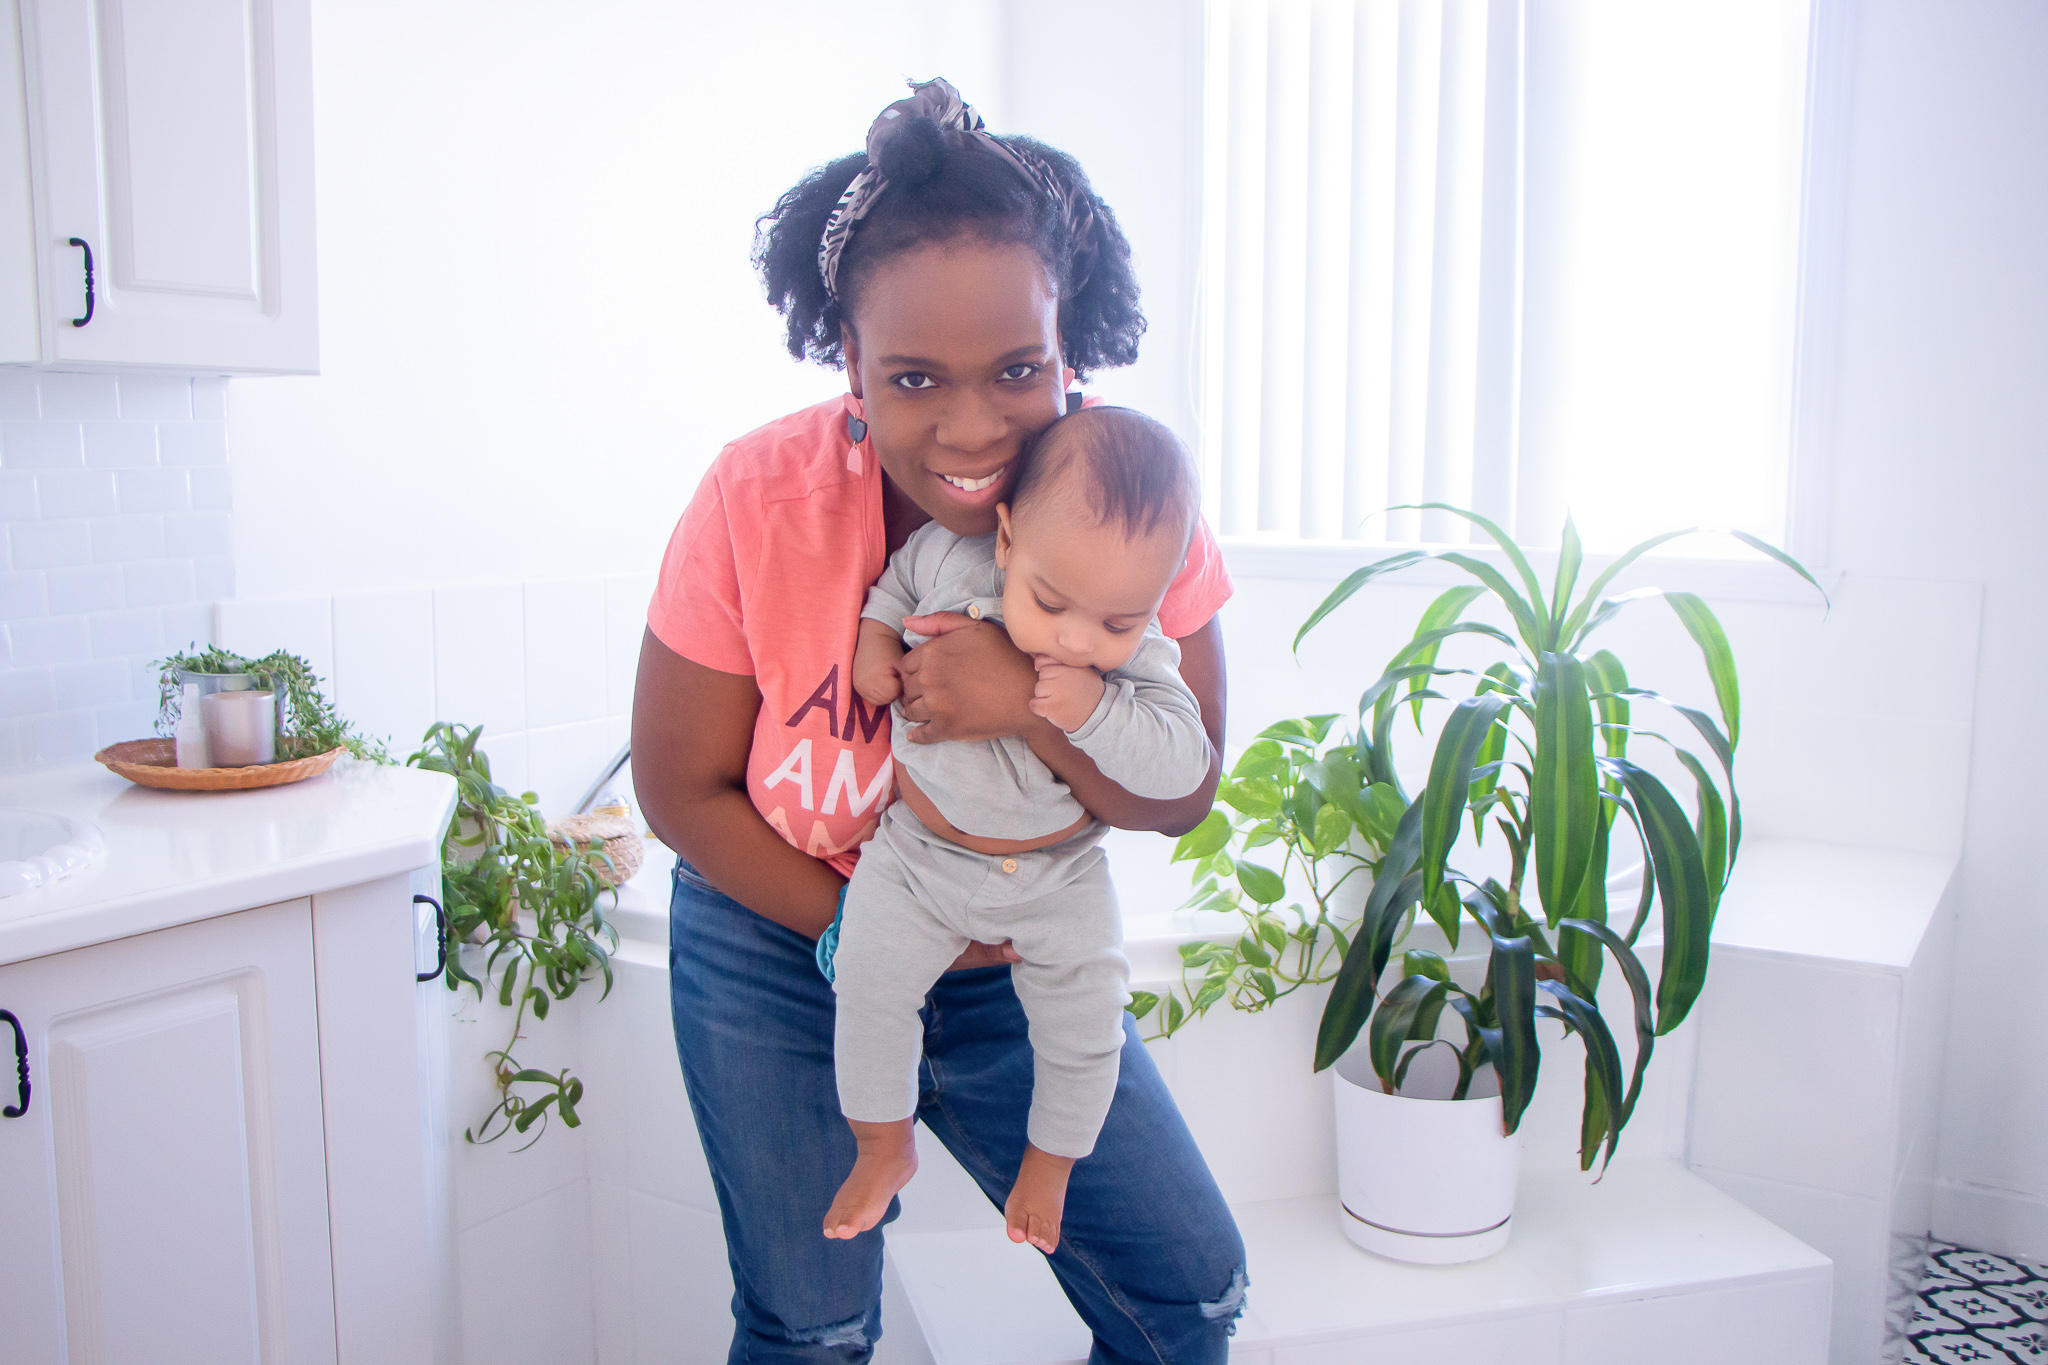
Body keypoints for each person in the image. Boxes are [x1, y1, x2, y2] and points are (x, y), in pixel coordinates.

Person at [633, 78, 1247, 1360]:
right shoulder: (756, 499)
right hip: (777, 939)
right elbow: (678, 792)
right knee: (807, 1327)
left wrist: (1025, 703)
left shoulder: (1126, 499)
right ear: (847, 361)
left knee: (1187, 1290)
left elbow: (1183, 788)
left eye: (1017, 370)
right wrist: (879, 928)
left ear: (1065, 344)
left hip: (1018, 939)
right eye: (912, 377)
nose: (971, 428)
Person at [825, 407, 1210, 1254]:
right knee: (868, 982)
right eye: (1051, 601)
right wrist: (875, 641)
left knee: (1086, 1020)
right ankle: (881, 1145)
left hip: (1057, 874)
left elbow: (1184, 766)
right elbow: (891, 585)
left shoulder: (1136, 663)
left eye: (1116, 622)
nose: (1079, 636)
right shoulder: (949, 555)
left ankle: (1052, 1160)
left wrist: (1099, 708)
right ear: (1005, 542)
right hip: (918, 857)